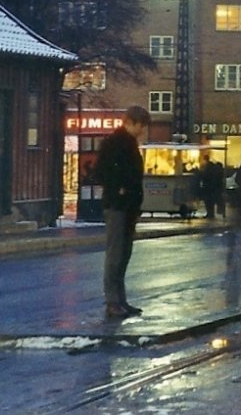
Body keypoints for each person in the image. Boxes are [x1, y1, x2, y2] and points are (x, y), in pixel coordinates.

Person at [94, 105, 150, 319]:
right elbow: (102, 172)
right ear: (131, 122)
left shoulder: (129, 143)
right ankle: (112, 301)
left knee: (124, 253)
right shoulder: (115, 143)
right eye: (141, 126)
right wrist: (119, 189)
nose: (142, 130)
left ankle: (120, 299)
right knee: (116, 253)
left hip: (128, 206)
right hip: (118, 205)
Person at [199, 153, 225, 219]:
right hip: (213, 188)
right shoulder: (213, 167)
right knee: (212, 202)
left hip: (208, 188)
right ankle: (211, 214)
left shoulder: (208, 167)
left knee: (208, 202)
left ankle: (210, 214)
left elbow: (205, 176)